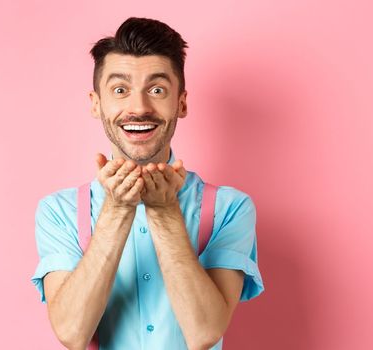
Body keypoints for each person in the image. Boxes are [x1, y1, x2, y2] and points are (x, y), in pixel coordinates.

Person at [30, 17, 264, 350]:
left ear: (181, 103)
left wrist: (165, 211)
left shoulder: (230, 208)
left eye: (157, 90)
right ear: (97, 104)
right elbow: (71, 332)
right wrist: (117, 209)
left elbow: (204, 332)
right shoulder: (59, 211)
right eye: (120, 90)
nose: (139, 108)